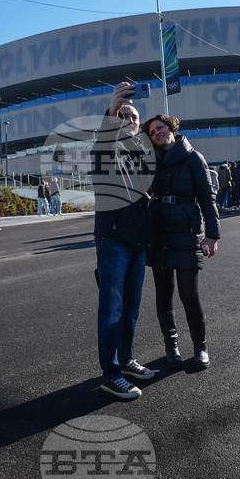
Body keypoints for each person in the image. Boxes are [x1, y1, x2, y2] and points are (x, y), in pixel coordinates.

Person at [92, 82, 155, 400]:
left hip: (138, 242)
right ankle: (111, 374)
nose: (130, 119)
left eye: (134, 116)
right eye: (124, 115)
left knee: (131, 309)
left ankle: (127, 359)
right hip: (114, 239)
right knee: (112, 311)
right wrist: (112, 109)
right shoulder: (107, 147)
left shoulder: (141, 154)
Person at [143, 114, 220, 371]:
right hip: (158, 232)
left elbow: (207, 198)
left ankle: (200, 346)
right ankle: (171, 344)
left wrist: (212, 234)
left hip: (187, 232)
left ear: (172, 128)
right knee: (163, 293)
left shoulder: (193, 158)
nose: (157, 134)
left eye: (160, 128)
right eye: (152, 132)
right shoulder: (150, 160)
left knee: (189, 293)